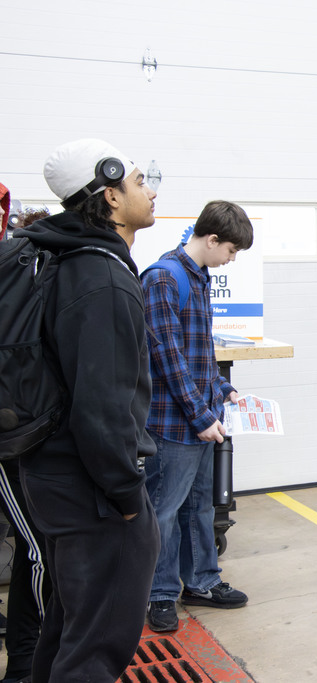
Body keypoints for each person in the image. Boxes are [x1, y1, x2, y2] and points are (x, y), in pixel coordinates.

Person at [17, 138, 161, 678]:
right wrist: (126, 496)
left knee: (72, 624)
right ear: (110, 195)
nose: (150, 191)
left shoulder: (61, 258)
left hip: (55, 478)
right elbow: (101, 409)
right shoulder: (101, 279)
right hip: (95, 492)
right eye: (140, 181)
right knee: (97, 645)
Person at [142, 200, 254, 633]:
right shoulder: (163, 279)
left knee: (199, 510)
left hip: (203, 417)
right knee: (164, 512)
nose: (230, 259)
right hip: (174, 424)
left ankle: (203, 582)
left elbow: (197, 353)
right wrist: (200, 415)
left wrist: (224, 390)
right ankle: (161, 594)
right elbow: (166, 357)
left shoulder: (198, 277)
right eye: (230, 250)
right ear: (210, 239)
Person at [0, 204, 54, 683]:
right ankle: (26, 663)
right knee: (38, 551)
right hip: (14, 438)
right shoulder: (23, 279)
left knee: (30, 550)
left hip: (25, 432)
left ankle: (25, 659)